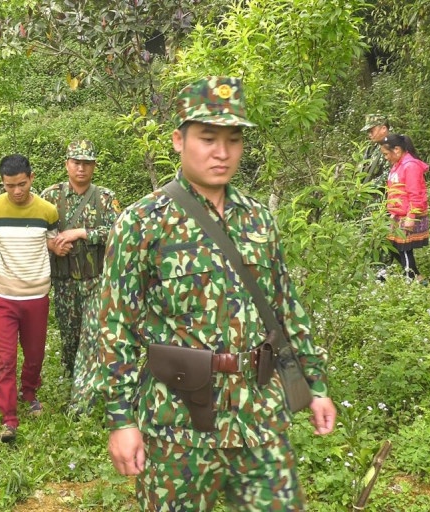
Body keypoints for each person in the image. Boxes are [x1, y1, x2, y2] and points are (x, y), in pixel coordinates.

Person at [95, 76, 336, 510]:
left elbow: (285, 306)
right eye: (207, 138)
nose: (221, 152)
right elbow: (117, 327)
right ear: (178, 140)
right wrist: (121, 419)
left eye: (233, 139)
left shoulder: (259, 219)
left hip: (259, 412)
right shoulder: (141, 223)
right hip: (178, 423)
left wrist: (315, 385)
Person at [0, 154, 60, 443]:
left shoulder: (48, 211)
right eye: (10, 186)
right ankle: (9, 418)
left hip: (36, 295)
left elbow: (52, 241)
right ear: (2, 184)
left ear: (32, 178)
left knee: (35, 355)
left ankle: (30, 393)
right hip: (3, 298)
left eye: (22, 184)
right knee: (6, 359)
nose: (17, 191)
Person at [40, 140, 120, 378]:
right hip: (64, 279)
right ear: (67, 165)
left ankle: (90, 379)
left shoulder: (105, 197)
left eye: (87, 163)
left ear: (94, 166)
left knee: (93, 332)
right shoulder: (51, 196)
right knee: (69, 333)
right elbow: (36, 233)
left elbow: (118, 231)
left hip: (95, 279)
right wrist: (52, 245)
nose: (81, 168)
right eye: (77, 163)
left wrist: (82, 233)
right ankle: (70, 375)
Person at [380, 133, 430, 284]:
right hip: (398, 214)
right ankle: (417, 277)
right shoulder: (397, 165)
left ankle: (410, 281)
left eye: (386, 154)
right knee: (391, 246)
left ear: (397, 149)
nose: (386, 158)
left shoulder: (411, 166)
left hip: (408, 214)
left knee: (404, 249)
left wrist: (411, 216)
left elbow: (416, 193)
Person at [359, 113, 391, 187]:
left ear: (383, 129)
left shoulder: (394, 147)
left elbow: (390, 176)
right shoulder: (373, 146)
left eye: (371, 131)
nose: (369, 134)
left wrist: (367, 187)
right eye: (368, 132)